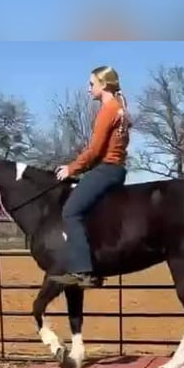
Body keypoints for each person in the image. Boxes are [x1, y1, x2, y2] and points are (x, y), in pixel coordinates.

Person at [48, 65, 131, 288]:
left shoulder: (109, 110)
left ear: (103, 85)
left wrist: (71, 169)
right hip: (114, 169)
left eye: (91, 84)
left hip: (107, 169)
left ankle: (83, 271)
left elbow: (94, 150)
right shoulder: (120, 108)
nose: (88, 89)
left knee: (71, 212)